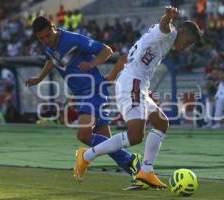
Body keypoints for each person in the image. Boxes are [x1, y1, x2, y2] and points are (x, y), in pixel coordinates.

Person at [74, 6, 203, 188]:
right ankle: (86, 156)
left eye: (189, 45)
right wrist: (167, 16)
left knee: (161, 123)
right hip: (132, 84)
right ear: (181, 31)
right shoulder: (168, 34)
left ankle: (146, 171)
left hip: (138, 85)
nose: (185, 47)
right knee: (135, 136)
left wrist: (113, 75)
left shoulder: (158, 40)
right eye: (187, 41)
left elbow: (127, 57)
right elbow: (164, 26)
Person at [25, 16, 141, 181]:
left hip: (93, 90)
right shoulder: (49, 48)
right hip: (82, 96)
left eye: (48, 35)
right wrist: (39, 78)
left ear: (54, 27)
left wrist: (92, 64)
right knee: (106, 144)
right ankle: (139, 172)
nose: (46, 40)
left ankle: (130, 159)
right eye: (41, 38)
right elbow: (52, 60)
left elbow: (106, 50)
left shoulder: (73, 39)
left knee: (83, 135)